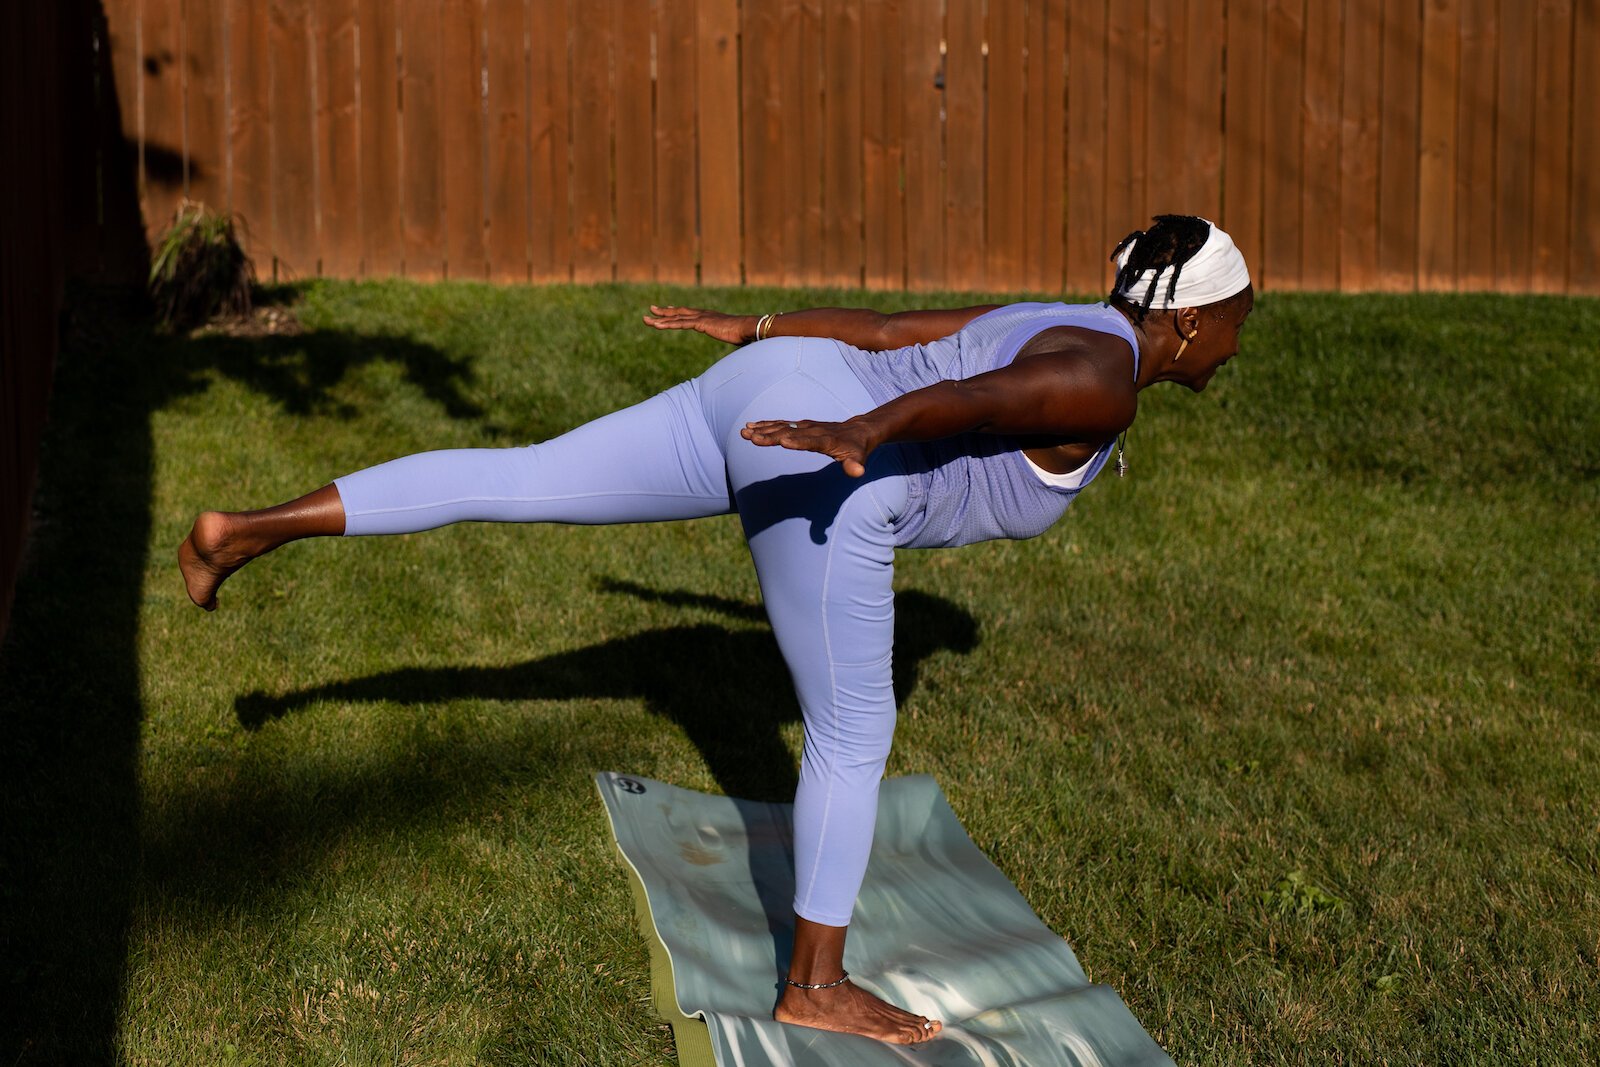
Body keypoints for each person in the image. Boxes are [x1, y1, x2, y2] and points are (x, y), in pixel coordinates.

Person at [179, 214, 1254, 1045]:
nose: (1239, 344)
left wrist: (751, 332)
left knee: (526, 475)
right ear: (1194, 319)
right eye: (1241, 318)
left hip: (769, 387)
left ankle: (245, 529)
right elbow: (981, 397)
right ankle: (817, 985)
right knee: (851, 727)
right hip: (828, 451)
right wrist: (865, 431)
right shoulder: (1104, 380)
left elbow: (889, 332)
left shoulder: (1056, 315)